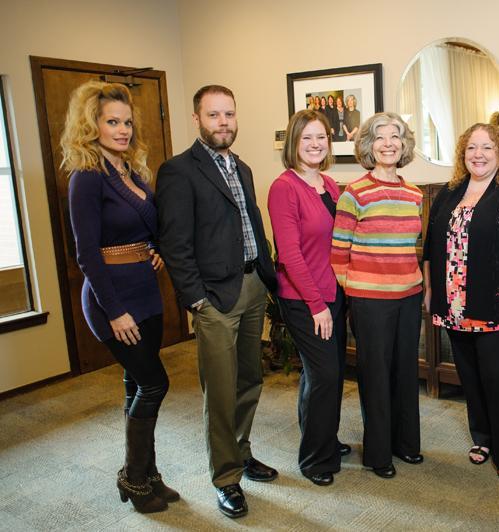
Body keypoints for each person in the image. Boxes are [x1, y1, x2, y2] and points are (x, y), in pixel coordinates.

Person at [156, 85, 278, 518]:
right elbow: (175, 244)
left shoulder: (241, 167)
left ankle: (241, 452)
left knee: (249, 380)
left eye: (228, 113)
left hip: (252, 286)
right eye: (213, 115)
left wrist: (268, 276)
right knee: (221, 392)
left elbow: (251, 225)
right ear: (197, 119)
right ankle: (226, 478)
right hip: (214, 298)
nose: (223, 122)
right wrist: (196, 301)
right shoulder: (178, 171)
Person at [61, 81, 177, 513]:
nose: (123, 130)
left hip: (145, 291)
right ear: (92, 125)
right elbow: (86, 254)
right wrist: (115, 312)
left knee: (135, 382)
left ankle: (147, 475)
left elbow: (149, 225)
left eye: (127, 122)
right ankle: (133, 476)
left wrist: (156, 250)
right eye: (112, 122)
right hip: (113, 300)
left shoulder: (132, 172)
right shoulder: (86, 178)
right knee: (155, 383)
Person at [423, 123, 499, 480]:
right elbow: (431, 245)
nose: (478, 154)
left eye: (487, 148)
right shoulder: (449, 193)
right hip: (455, 307)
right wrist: (431, 291)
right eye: (472, 148)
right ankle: (482, 438)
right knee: (471, 378)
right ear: (463, 153)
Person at [331, 112, 423, 479]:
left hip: (408, 295)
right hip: (369, 300)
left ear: (404, 144)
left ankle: (406, 444)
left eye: (395, 136)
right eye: (380, 137)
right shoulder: (354, 193)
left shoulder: (414, 194)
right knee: (375, 375)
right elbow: (339, 253)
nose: (388, 143)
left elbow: (410, 245)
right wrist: (356, 291)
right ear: (369, 146)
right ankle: (378, 453)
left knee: (405, 371)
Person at [267, 110, 349, 487]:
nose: (315, 145)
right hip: (304, 299)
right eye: (307, 138)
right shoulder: (284, 187)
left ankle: (325, 437)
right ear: (294, 143)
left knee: (326, 373)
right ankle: (315, 458)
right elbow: (289, 254)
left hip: (333, 292)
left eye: (321, 137)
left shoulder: (329, 184)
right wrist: (316, 306)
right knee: (324, 373)